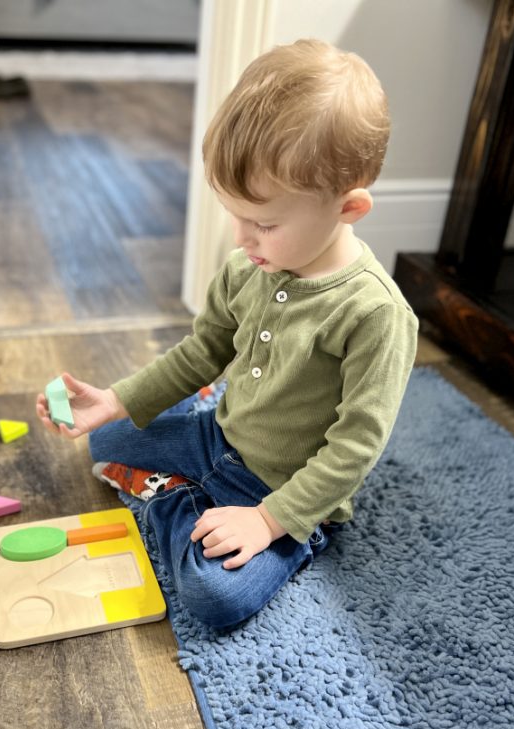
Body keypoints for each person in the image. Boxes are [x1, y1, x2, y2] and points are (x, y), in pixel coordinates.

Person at [36, 39, 418, 629]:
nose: (242, 237)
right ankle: (187, 481)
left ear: (349, 208)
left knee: (215, 597)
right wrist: (114, 401)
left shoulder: (376, 316)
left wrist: (268, 521)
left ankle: (173, 499)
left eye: (263, 223)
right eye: (235, 215)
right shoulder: (249, 266)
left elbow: (355, 449)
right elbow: (201, 351)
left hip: (285, 491)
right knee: (105, 442)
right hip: (219, 437)